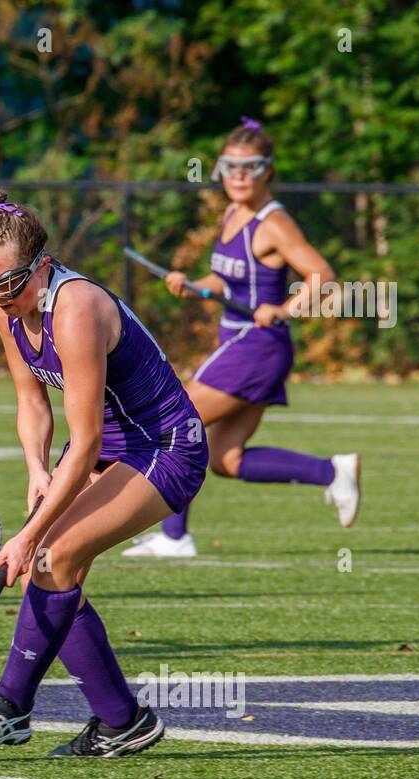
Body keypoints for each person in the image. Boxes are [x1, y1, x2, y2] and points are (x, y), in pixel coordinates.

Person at [0, 189, 208, 757]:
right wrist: (36, 468)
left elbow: (87, 442)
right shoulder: (6, 307)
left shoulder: (75, 310)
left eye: (9, 284)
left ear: (43, 266)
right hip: (108, 446)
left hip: (165, 446)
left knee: (49, 556)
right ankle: (120, 720)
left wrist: (29, 533)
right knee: (47, 570)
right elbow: (32, 403)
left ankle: (12, 705)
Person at [124, 117, 360, 558]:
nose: (237, 176)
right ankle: (332, 472)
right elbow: (227, 278)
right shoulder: (233, 213)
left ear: (267, 170)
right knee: (225, 459)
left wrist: (284, 309)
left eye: (249, 167)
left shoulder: (274, 223)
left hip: (257, 347)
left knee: (174, 422)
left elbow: (322, 276)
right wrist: (192, 285)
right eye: (229, 166)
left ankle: (175, 537)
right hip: (238, 343)